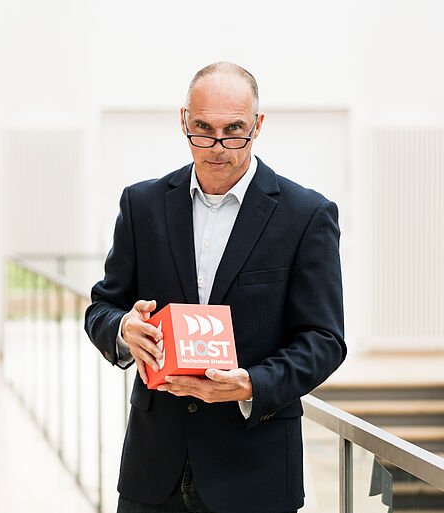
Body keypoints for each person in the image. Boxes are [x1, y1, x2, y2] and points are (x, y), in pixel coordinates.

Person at [84, 62, 346, 513]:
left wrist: (251, 384)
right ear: (183, 120)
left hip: (255, 474)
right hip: (153, 470)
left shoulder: (306, 215)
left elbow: (325, 341)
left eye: (234, 131)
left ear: (258, 126)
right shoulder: (141, 203)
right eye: (203, 129)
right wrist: (124, 329)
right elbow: (102, 307)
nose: (218, 146)